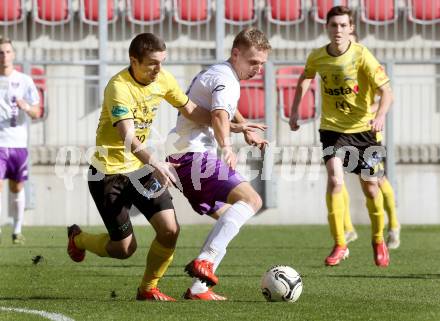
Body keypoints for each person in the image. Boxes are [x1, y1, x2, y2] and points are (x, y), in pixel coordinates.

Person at [66, 33, 211, 301]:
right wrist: (156, 162)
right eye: (153, 63)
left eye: (162, 62)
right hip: (108, 173)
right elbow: (128, 137)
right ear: (134, 60)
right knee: (124, 249)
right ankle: (78, 239)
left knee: (170, 230)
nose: (159, 69)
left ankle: (147, 288)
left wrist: (229, 124)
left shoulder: (163, 79)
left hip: (140, 169)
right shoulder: (118, 87)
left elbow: (190, 109)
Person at [165, 27, 271, 300]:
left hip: (182, 158)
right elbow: (219, 114)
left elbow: (225, 110)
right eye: (253, 62)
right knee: (252, 201)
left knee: (229, 219)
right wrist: (226, 147)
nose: (257, 69)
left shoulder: (220, 73)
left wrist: (244, 126)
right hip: (193, 156)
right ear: (236, 54)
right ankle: (206, 260)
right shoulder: (227, 79)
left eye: (261, 64)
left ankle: (199, 288)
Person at [289, 6, 394, 267]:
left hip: (364, 131)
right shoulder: (317, 57)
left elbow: (387, 92)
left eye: (343, 25)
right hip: (332, 130)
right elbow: (305, 77)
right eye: (333, 25)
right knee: (335, 180)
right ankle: (339, 243)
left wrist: (379, 115)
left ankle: (379, 239)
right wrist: (294, 111)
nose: (338, 30)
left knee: (370, 187)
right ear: (327, 28)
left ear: (351, 29)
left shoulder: (362, 55)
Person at [343, 31, 401, 249]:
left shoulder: (367, 64)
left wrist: (372, 114)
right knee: (340, 178)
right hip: (344, 132)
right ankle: (348, 229)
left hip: (368, 134)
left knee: (377, 180)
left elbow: (389, 95)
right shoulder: (336, 67)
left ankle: (393, 226)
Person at [0, 37, 41, 245]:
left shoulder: (24, 80)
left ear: (13, 55)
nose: (4, 56)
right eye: (1, 52)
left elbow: (37, 111)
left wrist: (26, 107)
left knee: (17, 188)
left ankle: (16, 230)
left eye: (7, 52)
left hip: (17, 145)